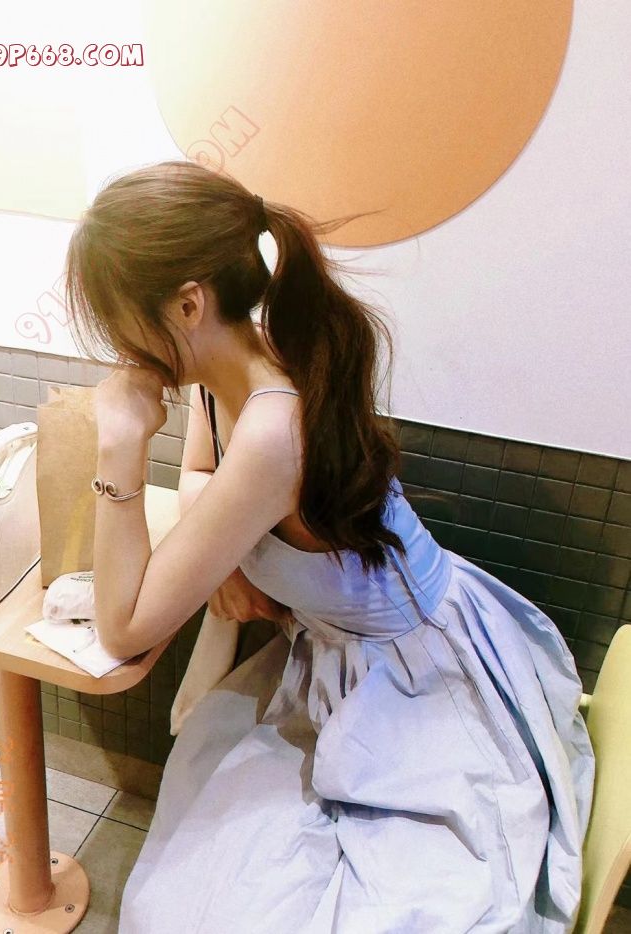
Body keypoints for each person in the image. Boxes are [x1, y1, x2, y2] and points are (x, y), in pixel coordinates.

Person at [63, 160, 595, 933]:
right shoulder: (231, 363)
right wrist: (224, 552)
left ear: (187, 304)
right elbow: (202, 474)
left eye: (120, 323)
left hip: (418, 683)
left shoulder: (274, 426)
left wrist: (118, 444)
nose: (121, 349)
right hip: (334, 665)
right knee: (186, 895)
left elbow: (124, 629)